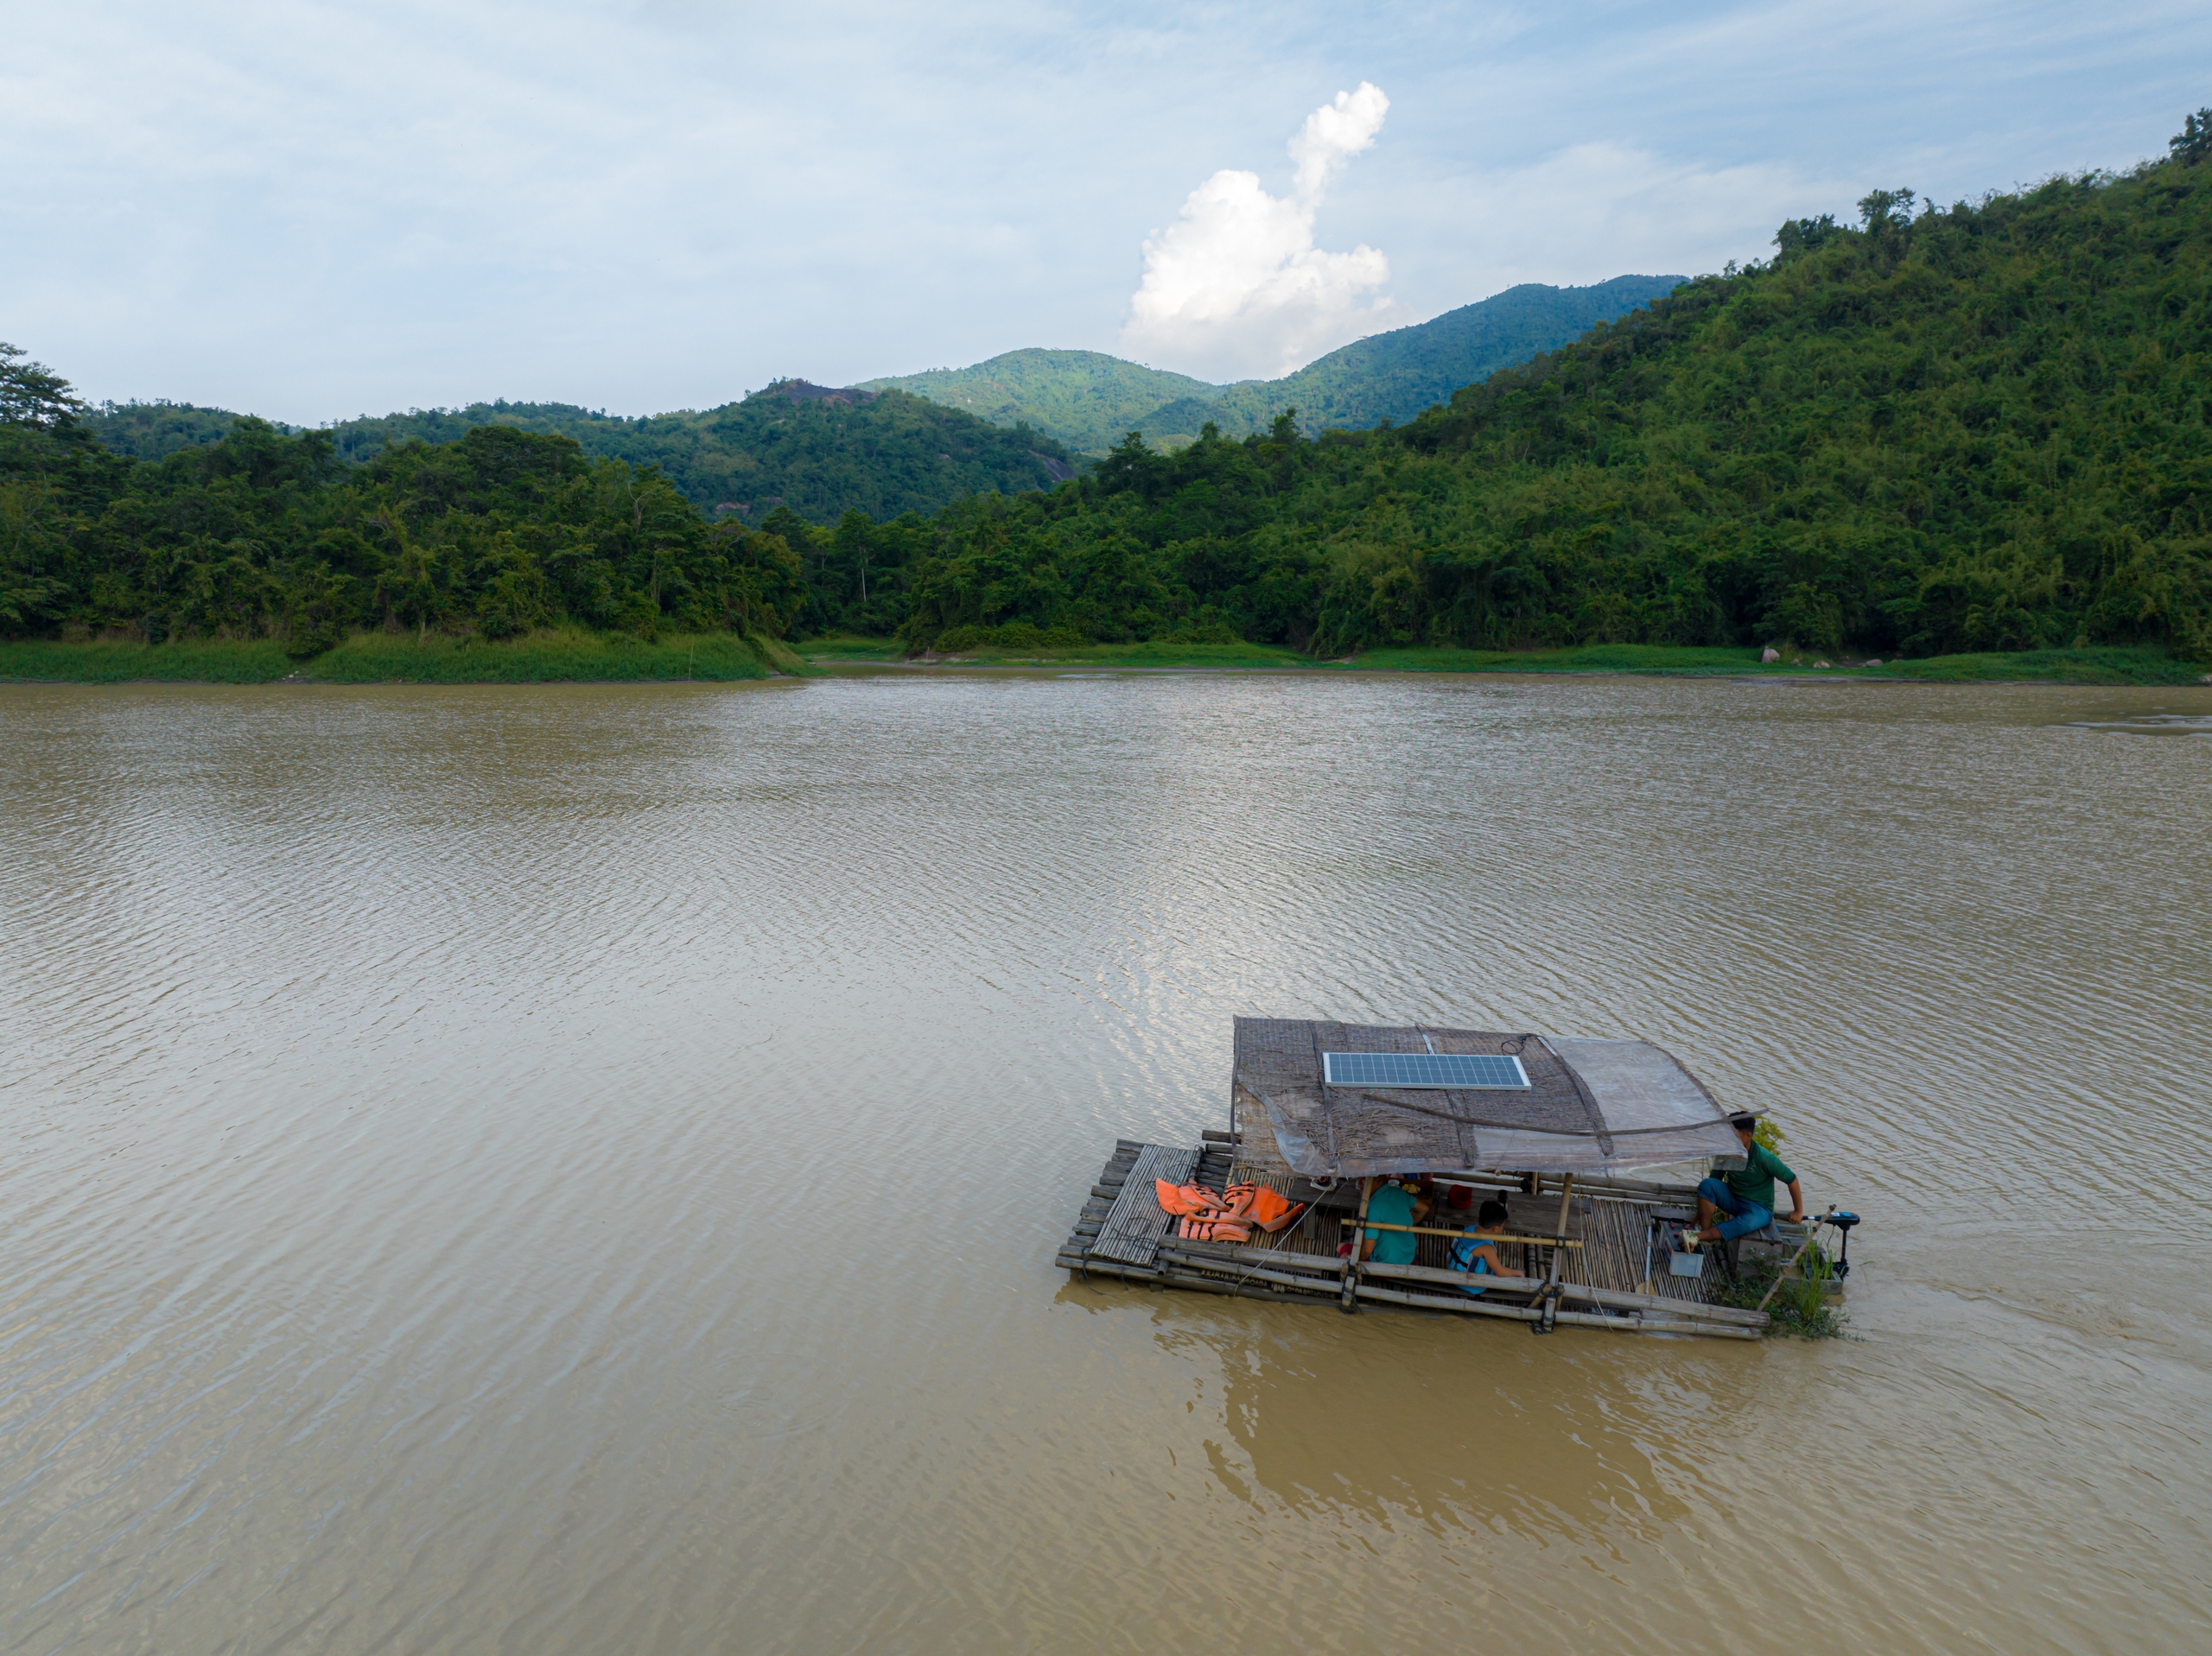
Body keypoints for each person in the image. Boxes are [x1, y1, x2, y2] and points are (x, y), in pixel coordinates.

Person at [1690, 1113, 1805, 1247]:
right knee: (1707, 1185)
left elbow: (1792, 1180)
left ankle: (1698, 1237)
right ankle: (1704, 1235)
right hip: (1733, 1198)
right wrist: (1701, 1212)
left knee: (1748, 1223)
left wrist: (1798, 1211)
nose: (1730, 1139)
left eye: (1735, 1135)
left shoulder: (1765, 1158)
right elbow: (1713, 1183)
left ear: (1748, 1136)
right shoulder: (1727, 1152)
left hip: (1758, 1208)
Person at [1447, 1199, 1531, 1297]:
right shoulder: (1487, 1248)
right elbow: (1500, 1272)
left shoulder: (1470, 1228)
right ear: (1495, 1228)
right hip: (1470, 1285)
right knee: (1515, 1272)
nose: (1502, 1229)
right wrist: (1518, 1272)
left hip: (1454, 1273)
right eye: (1502, 1226)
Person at [1356, 1177, 1430, 1266]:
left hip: (1386, 1264)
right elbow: (1424, 1209)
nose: (1359, 1183)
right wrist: (1406, 1225)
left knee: (1342, 1249)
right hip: (1408, 1257)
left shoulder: (1373, 1208)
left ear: (1379, 1180)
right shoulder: (1398, 1192)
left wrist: (1352, 1258)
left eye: (1363, 1179)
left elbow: (1367, 1251)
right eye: (1357, 1179)